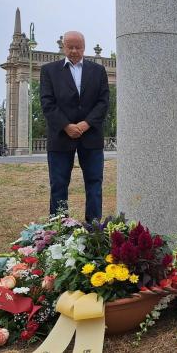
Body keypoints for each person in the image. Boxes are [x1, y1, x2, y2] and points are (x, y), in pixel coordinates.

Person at [40, 31, 109, 223]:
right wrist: (66, 125)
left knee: (94, 184)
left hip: (91, 136)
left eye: (78, 47)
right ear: (63, 47)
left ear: (84, 47)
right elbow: (47, 103)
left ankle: (94, 226)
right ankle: (59, 226)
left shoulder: (98, 71)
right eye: (70, 47)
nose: (74, 51)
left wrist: (86, 124)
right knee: (59, 184)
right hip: (61, 137)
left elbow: (103, 103)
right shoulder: (49, 71)